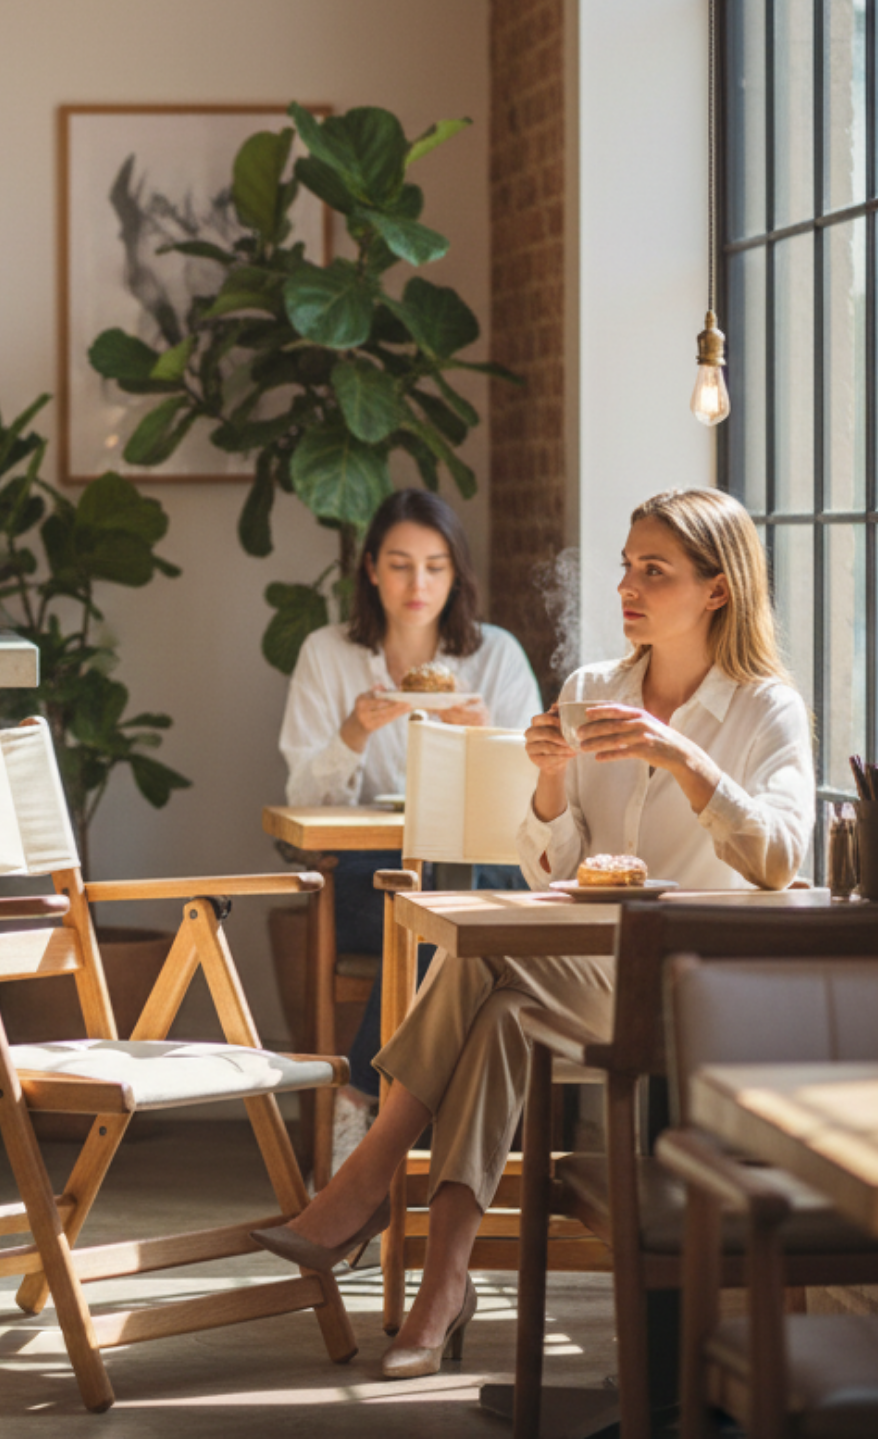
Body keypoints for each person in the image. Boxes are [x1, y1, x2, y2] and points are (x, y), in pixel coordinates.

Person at [255, 487, 815, 1378]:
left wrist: (685, 758)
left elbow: (783, 860)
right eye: (627, 566)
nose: (626, 587)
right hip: (588, 972)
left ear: (716, 590)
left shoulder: (763, 707)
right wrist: (549, 784)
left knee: (494, 967)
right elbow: (553, 872)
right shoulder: (593, 690)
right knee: (501, 1005)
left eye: (654, 571)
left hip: (694, 989)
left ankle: (368, 1185)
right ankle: (443, 1288)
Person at [278, 489, 541, 1163]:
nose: (417, 584)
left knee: (451, 909)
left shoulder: (496, 658)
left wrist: (487, 741)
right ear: (370, 569)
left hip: (483, 866)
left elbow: (538, 795)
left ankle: (359, 1099)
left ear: (457, 575)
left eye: (435, 566)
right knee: (435, 913)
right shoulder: (328, 653)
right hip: (367, 871)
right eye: (399, 565)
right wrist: (352, 733)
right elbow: (301, 797)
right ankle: (457, 1144)